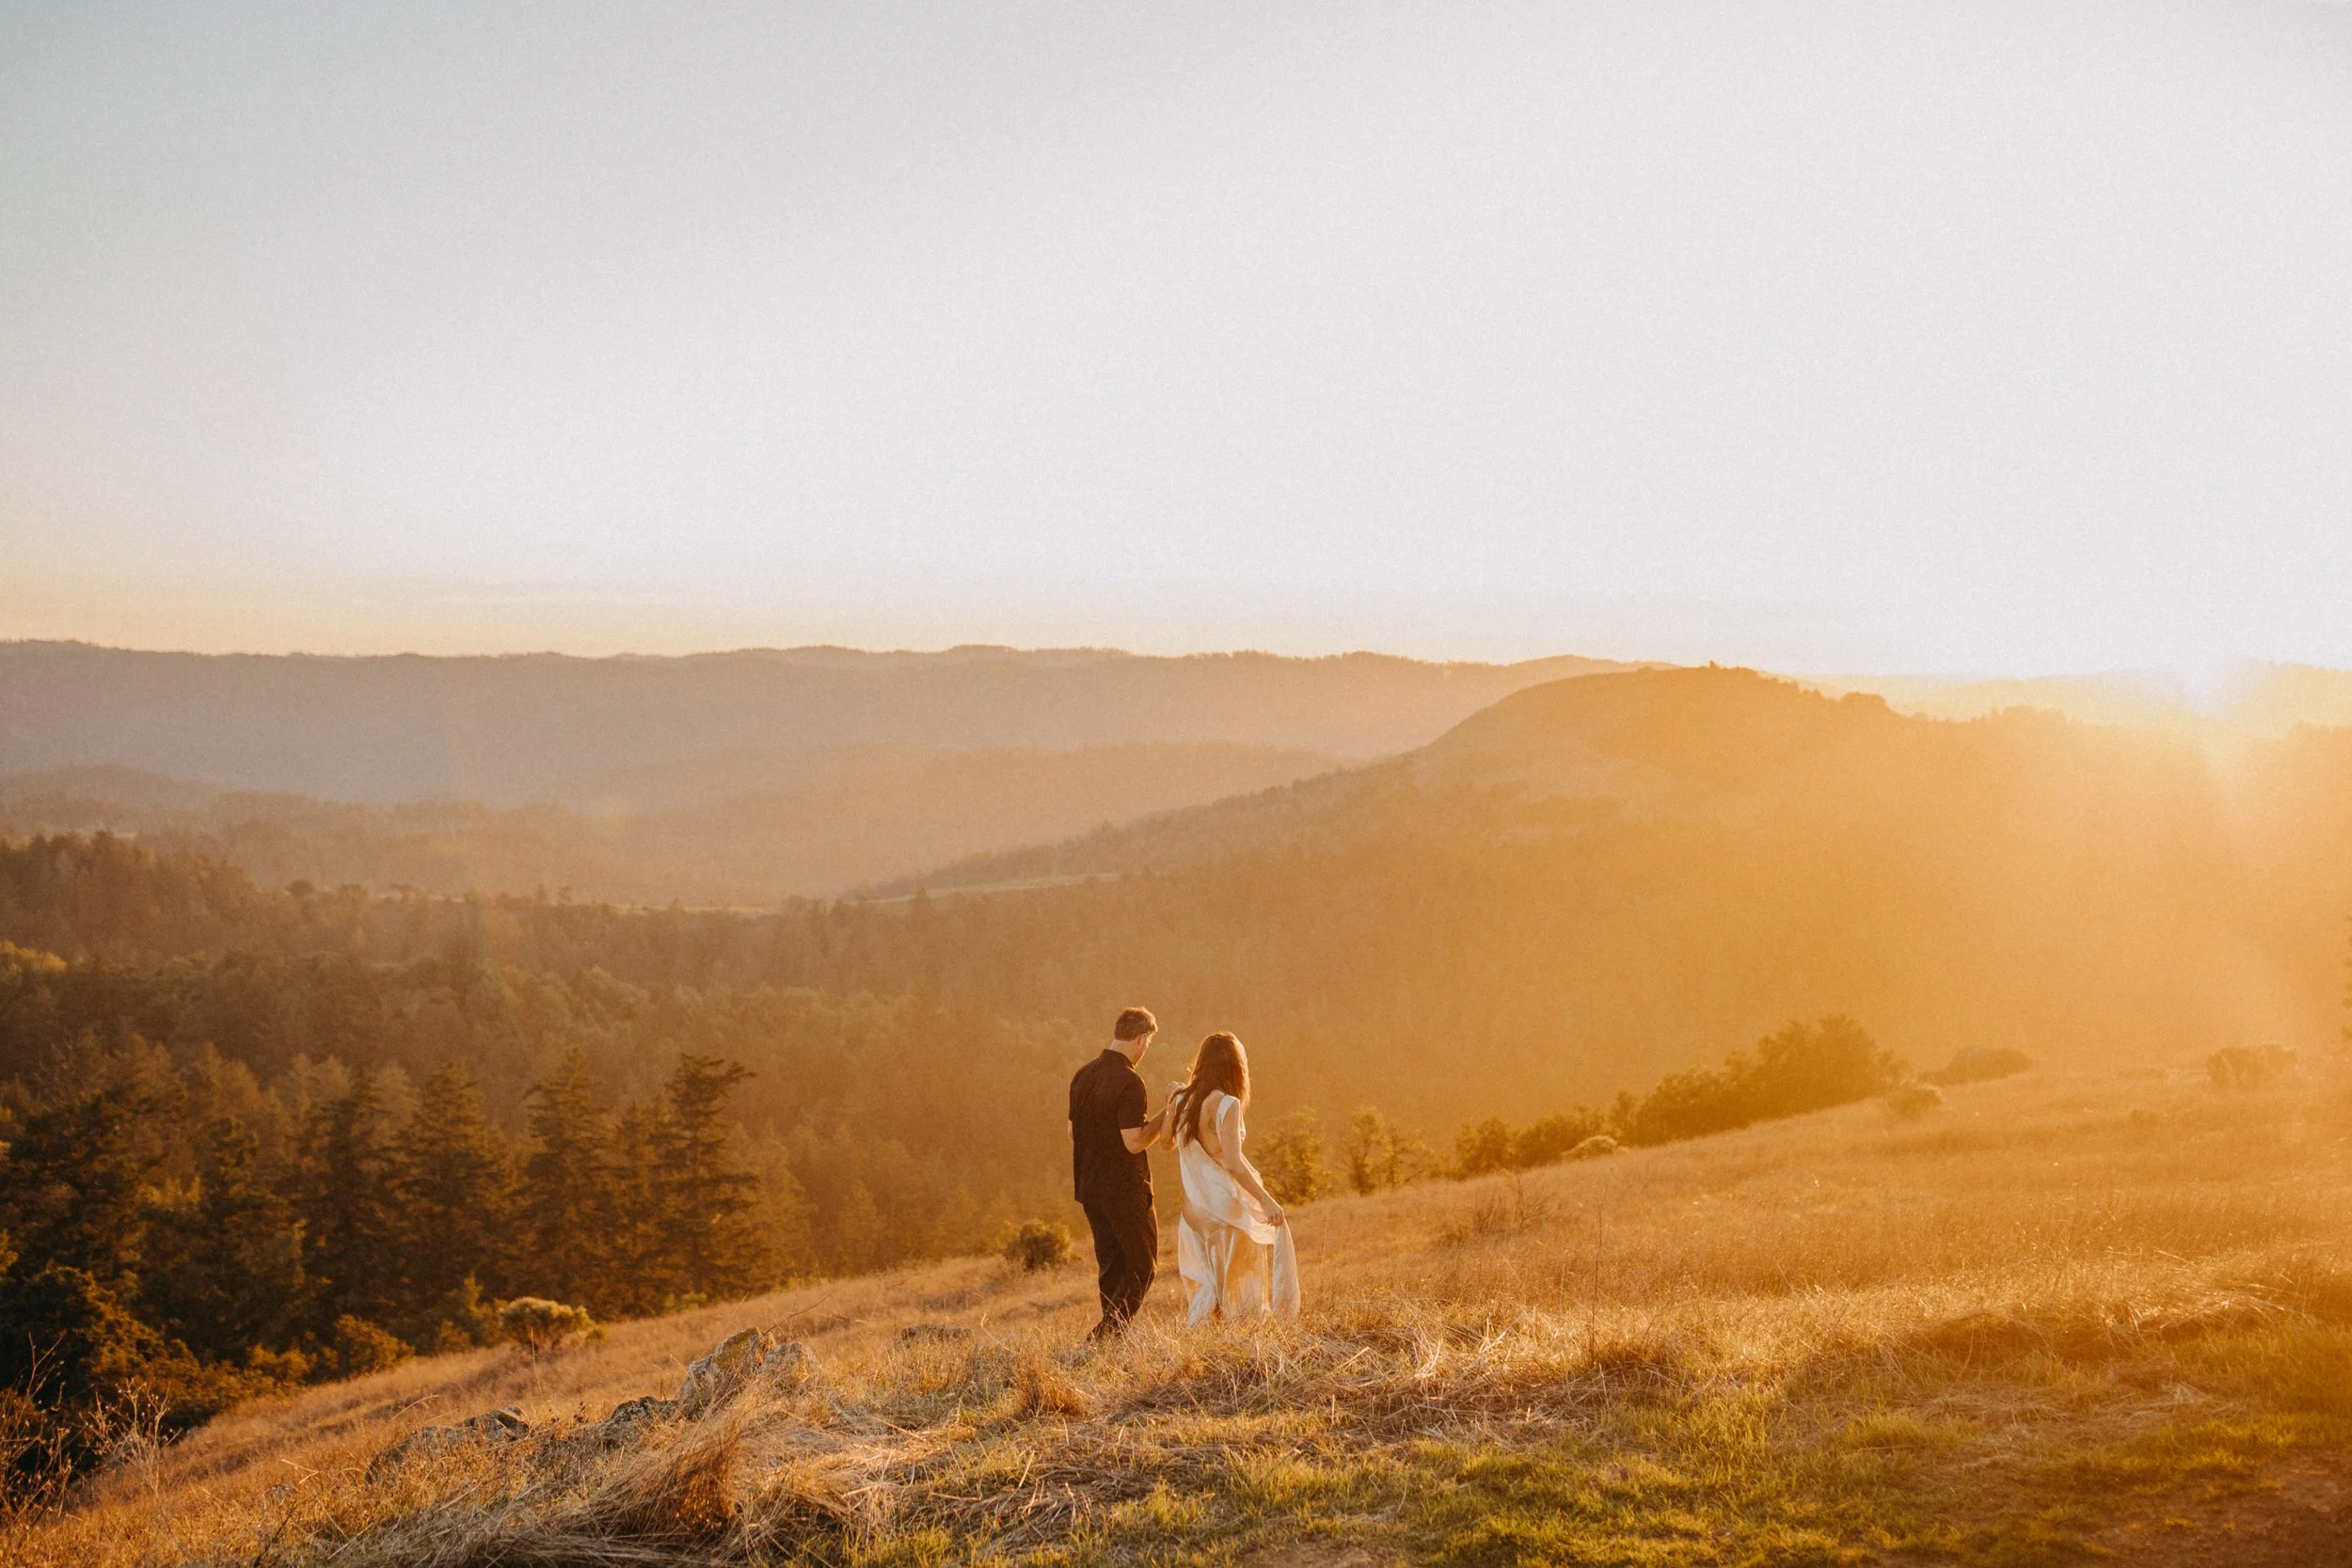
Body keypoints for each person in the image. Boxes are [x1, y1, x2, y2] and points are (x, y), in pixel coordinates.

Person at [1166, 1031, 1299, 1323]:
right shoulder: (1228, 1104)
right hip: (1223, 1205)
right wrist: (1266, 1201)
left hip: (1193, 1209)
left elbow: (1166, 1142)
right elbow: (1233, 1162)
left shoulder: (1180, 1100)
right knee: (1239, 1283)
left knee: (1207, 1285)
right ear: (1236, 1067)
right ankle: (1241, 1338)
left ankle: (1203, 1343)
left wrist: (1170, 1101)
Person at [1068, 1006, 1171, 1338]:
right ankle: (1105, 1335)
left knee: (1111, 1266)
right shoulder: (1130, 1081)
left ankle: (1110, 1343)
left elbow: (1072, 1132)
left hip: (1089, 1187)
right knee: (1143, 1265)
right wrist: (1167, 1113)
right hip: (1124, 1190)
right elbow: (1135, 1141)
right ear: (1141, 1038)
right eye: (1148, 1043)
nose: (1146, 1051)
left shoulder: (1082, 1075)